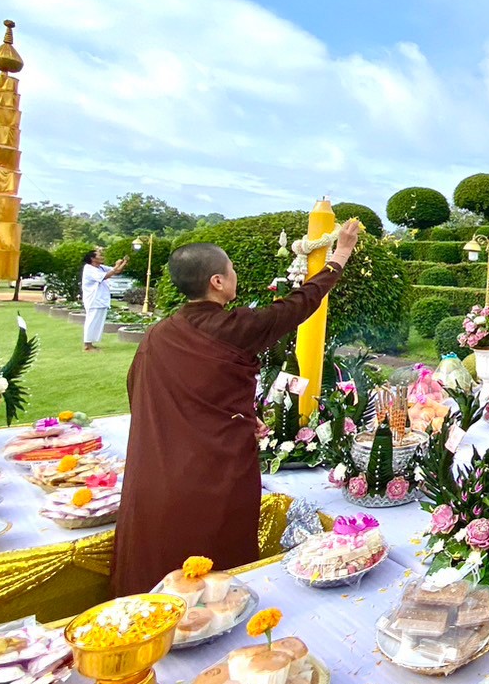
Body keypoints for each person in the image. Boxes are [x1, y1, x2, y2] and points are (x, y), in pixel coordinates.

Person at [111, 219, 363, 594]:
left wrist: (237, 412)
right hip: (214, 469)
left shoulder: (159, 333)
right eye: (230, 269)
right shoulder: (232, 329)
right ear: (217, 281)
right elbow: (299, 303)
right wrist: (340, 254)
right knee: (215, 557)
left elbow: (141, 390)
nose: (235, 275)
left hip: (159, 468)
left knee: (163, 550)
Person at [81, 249, 128, 352]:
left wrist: (123, 263)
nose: (102, 257)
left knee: (97, 323)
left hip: (101, 299)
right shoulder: (89, 269)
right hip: (93, 299)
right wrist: (117, 265)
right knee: (91, 322)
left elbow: (116, 271)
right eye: (100, 255)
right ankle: (87, 346)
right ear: (92, 259)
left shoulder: (101, 267)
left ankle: (91, 344)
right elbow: (106, 276)